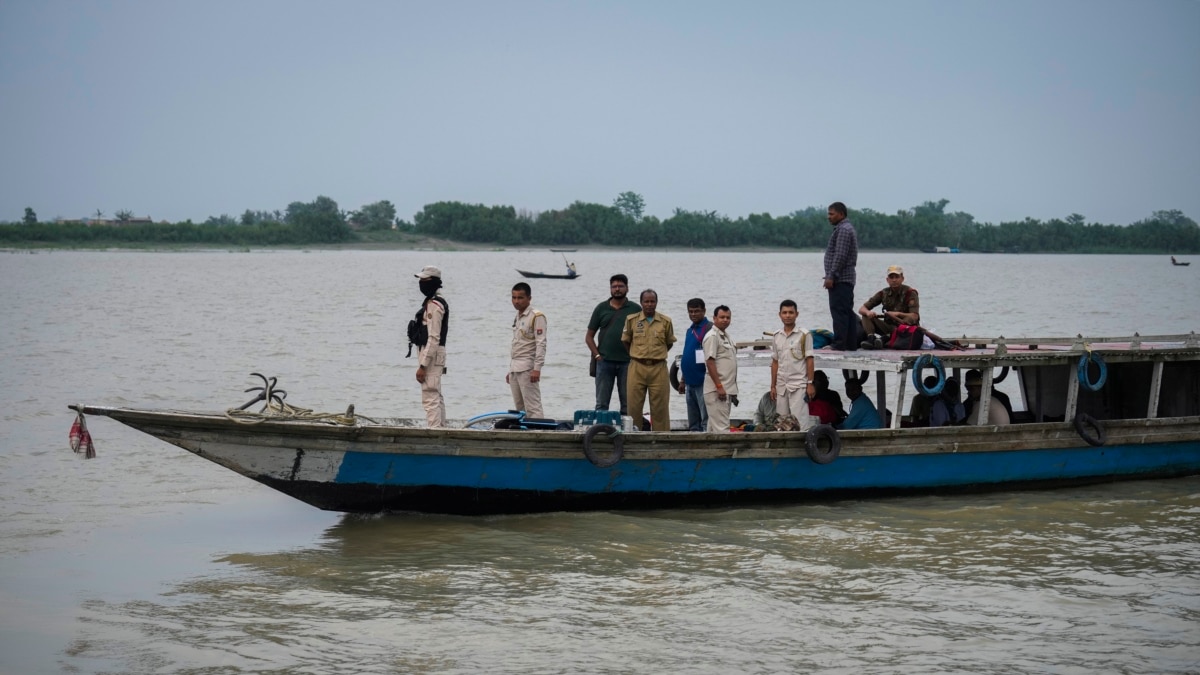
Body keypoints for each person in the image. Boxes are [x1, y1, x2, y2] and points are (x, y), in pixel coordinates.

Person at [622, 289, 676, 431]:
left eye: (652, 301)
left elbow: (669, 343)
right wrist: (636, 354)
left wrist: (656, 355)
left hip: (658, 367)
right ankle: (633, 438)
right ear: (641, 303)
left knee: (660, 408)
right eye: (646, 301)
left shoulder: (665, 321)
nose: (649, 304)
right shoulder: (631, 320)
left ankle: (662, 439)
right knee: (633, 406)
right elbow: (626, 341)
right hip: (637, 367)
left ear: (656, 303)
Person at [585, 274, 640, 415]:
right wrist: (597, 355)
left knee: (628, 404)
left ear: (627, 288)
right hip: (604, 362)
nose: (617, 289)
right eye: (614, 286)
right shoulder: (601, 308)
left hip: (628, 363)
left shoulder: (636, 309)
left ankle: (627, 434)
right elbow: (589, 336)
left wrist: (636, 357)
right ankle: (601, 431)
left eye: (620, 286)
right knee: (601, 404)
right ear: (610, 289)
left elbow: (642, 335)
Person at [770, 299, 816, 430]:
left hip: (798, 385)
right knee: (781, 423)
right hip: (781, 386)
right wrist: (773, 386)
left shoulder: (804, 335)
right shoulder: (776, 336)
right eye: (784, 312)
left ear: (797, 314)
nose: (787, 315)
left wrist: (810, 383)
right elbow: (775, 362)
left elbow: (810, 360)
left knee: (800, 423)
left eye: (791, 312)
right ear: (780, 315)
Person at [413, 265, 448, 428]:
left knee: (430, 397)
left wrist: (423, 365)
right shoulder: (432, 302)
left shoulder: (435, 305)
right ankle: (440, 428)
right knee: (435, 395)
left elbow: (434, 338)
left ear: (433, 282)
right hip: (432, 354)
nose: (421, 283)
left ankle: (435, 432)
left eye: (424, 280)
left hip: (431, 356)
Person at [507, 282, 547, 418]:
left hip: (527, 368)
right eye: (514, 297)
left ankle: (538, 433)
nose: (516, 301)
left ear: (529, 298)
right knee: (520, 409)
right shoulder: (518, 316)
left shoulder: (536, 316)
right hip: (515, 367)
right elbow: (518, 344)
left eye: (520, 298)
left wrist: (537, 368)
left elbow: (541, 343)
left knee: (533, 407)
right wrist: (510, 369)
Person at [823, 201, 859, 351]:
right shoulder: (844, 228)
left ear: (841, 214)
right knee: (846, 311)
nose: (828, 217)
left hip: (841, 279)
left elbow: (840, 255)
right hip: (844, 279)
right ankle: (850, 343)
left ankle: (839, 344)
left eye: (831, 214)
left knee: (839, 311)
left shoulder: (843, 230)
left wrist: (831, 276)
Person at [858, 265, 920, 349]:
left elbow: (915, 316)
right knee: (865, 315)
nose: (894, 280)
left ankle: (885, 339)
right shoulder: (883, 293)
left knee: (908, 319)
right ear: (887, 280)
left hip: (904, 328)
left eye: (897, 277)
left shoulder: (910, 293)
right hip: (888, 326)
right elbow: (862, 309)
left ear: (902, 278)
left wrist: (897, 314)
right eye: (891, 277)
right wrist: (868, 312)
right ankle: (871, 339)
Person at [677, 298, 713, 431]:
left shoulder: (709, 328)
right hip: (689, 381)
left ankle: (706, 441)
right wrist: (682, 380)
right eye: (690, 312)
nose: (693, 314)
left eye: (697, 311)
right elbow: (686, 354)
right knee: (693, 418)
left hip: (704, 380)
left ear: (704, 311)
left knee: (705, 417)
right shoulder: (689, 330)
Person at [702, 305, 738, 433]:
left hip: (725, 390)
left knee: (713, 429)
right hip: (717, 390)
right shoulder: (712, 336)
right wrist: (719, 386)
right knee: (722, 430)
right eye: (722, 317)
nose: (725, 320)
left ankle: (709, 453)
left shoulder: (725, 336)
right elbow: (710, 362)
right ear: (714, 318)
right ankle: (726, 453)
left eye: (728, 317)